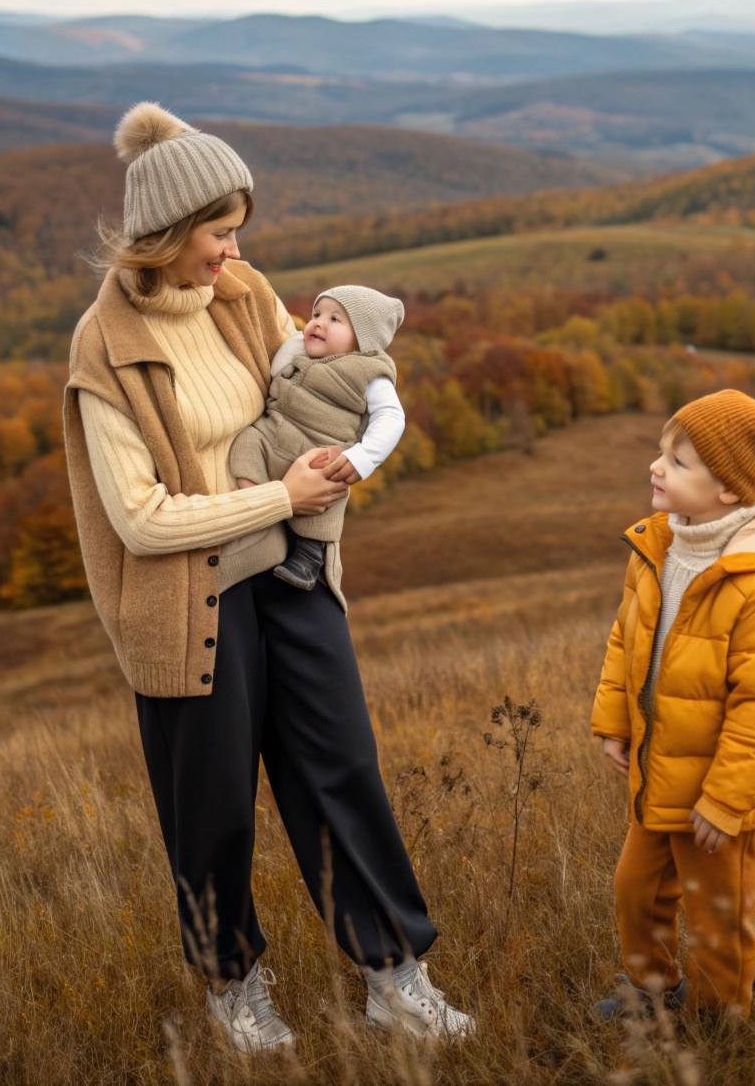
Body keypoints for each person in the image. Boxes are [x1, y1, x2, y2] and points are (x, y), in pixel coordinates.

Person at [63, 102, 473, 1054]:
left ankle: (392, 976)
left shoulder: (245, 294)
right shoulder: (106, 349)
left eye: (239, 229)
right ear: (164, 236)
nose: (234, 249)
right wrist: (282, 495)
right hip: (185, 595)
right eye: (219, 231)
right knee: (209, 805)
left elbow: (321, 376)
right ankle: (232, 985)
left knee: (343, 767)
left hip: (291, 572)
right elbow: (142, 519)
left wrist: (359, 447)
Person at [590, 389, 755, 1020]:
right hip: (661, 768)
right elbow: (624, 636)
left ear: (727, 490)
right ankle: (653, 993)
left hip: (725, 795)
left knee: (719, 916)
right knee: (636, 890)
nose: (657, 467)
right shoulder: (659, 548)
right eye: (661, 452)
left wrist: (725, 799)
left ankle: (723, 1020)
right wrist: (613, 720)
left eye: (679, 462)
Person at [229, 285, 405, 591]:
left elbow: (391, 417)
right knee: (245, 444)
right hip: (273, 435)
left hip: (320, 452)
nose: (318, 323)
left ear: (364, 339)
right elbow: (278, 364)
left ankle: (309, 556)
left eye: (335, 319)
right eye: (316, 314)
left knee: (328, 492)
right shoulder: (302, 350)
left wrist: (362, 458)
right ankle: (257, 507)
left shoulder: (370, 373)